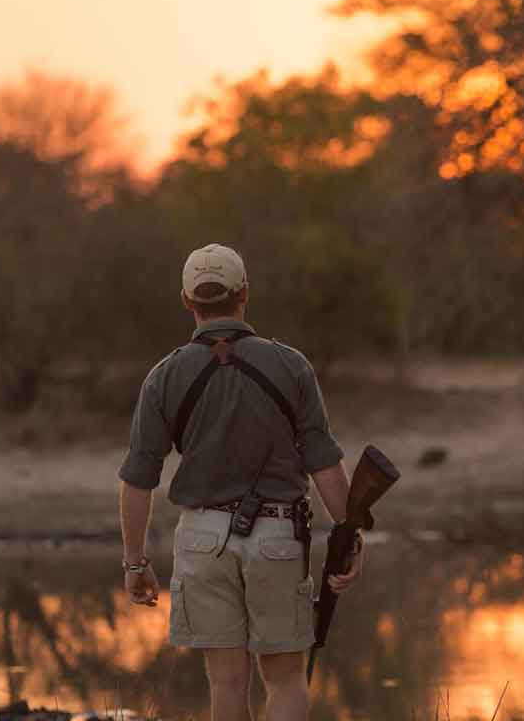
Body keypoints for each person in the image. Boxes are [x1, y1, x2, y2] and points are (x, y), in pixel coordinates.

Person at [118, 243, 362, 721]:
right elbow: (324, 462)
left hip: (203, 540)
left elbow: (137, 480)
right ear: (244, 294)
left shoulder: (163, 376)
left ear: (187, 301)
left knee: (226, 681)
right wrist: (350, 532)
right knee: (287, 678)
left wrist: (134, 562)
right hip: (278, 534)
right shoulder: (291, 365)